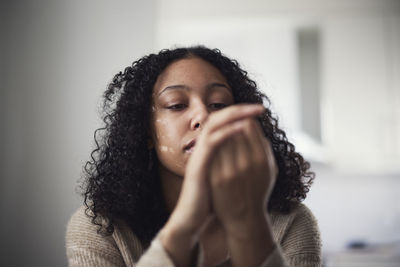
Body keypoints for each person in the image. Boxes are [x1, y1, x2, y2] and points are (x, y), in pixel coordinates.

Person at [66, 46, 321, 267]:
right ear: (144, 133)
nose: (203, 116)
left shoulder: (291, 223)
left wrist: (248, 224)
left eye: (219, 104)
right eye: (177, 105)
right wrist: (187, 221)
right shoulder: (100, 228)